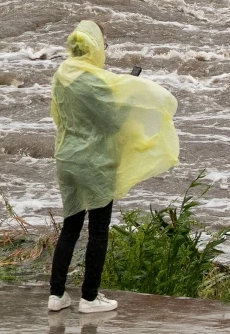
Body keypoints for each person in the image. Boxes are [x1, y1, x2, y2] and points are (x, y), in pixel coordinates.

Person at [48, 20, 179, 314]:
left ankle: (56, 295)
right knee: (98, 230)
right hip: (96, 163)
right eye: (103, 45)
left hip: (66, 158)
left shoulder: (62, 74)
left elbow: (59, 114)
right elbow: (113, 122)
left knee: (70, 227)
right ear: (95, 47)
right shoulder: (98, 81)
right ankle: (89, 298)